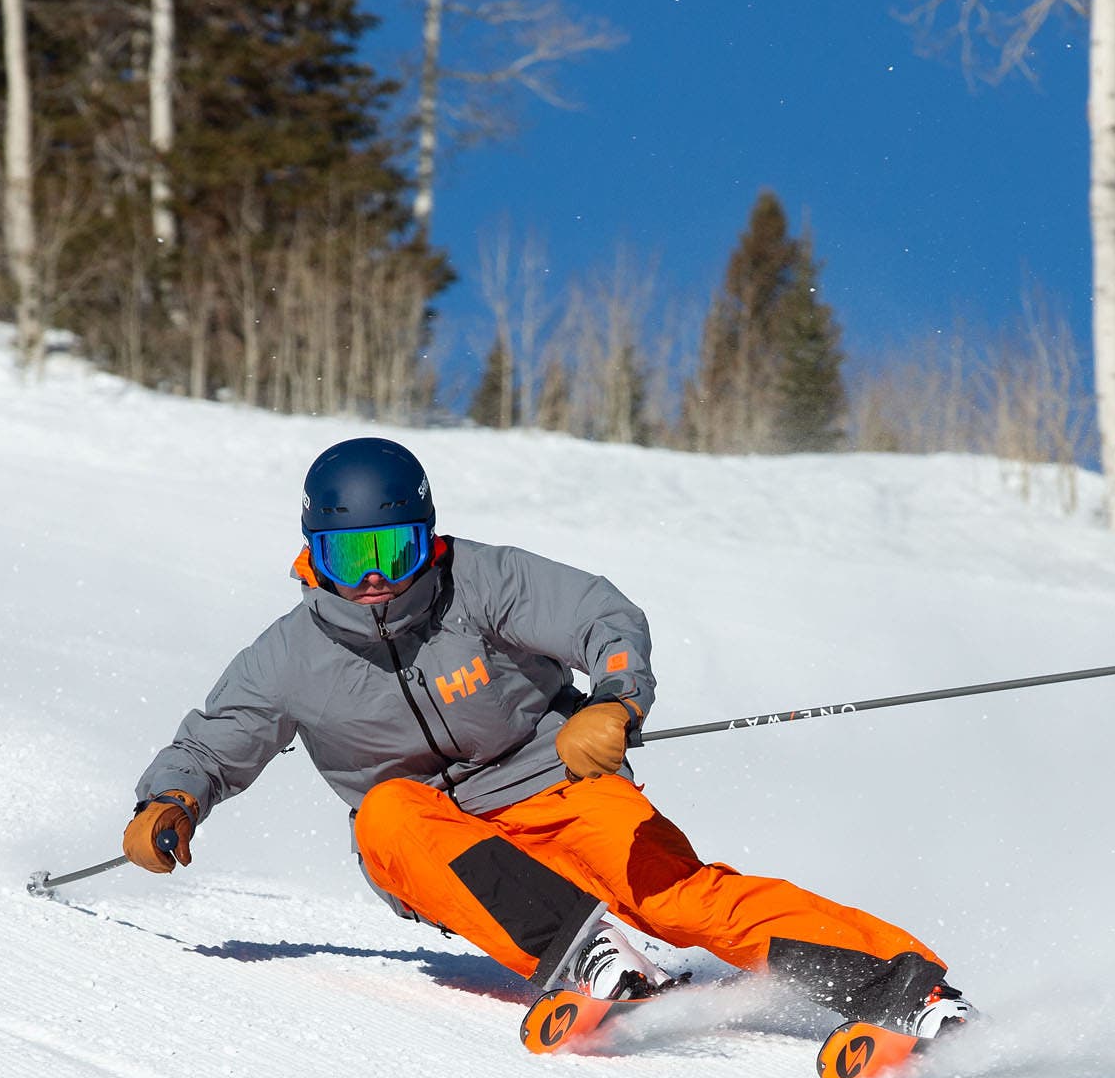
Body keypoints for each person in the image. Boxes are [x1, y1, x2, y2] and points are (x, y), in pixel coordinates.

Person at [124, 436, 978, 1041]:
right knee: (385, 812)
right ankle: (588, 958)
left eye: (397, 547)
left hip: (558, 785)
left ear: (430, 537)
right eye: (353, 556)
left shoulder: (481, 580)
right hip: (438, 840)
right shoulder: (289, 656)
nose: (378, 576)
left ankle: (907, 987)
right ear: (314, 556)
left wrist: (615, 701)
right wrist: (171, 801)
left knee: (677, 896)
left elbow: (604, 617)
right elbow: (216, 740)